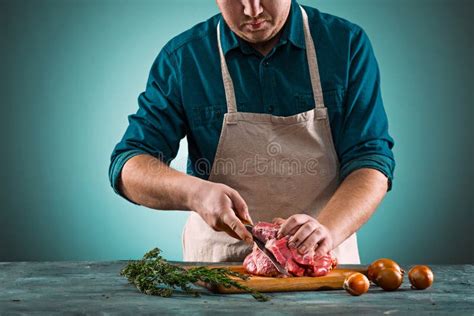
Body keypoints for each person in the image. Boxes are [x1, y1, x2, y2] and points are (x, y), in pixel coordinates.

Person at [109, 0, 395, 263]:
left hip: (322, 260)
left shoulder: (345, 45)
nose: (252, 9)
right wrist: (193, 193)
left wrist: (327, 231)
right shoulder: (183, 58)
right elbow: (130, 165)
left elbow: (371, 162)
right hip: (219, 269)